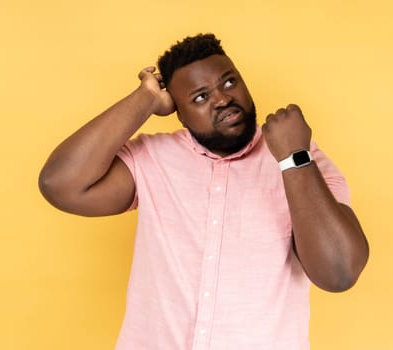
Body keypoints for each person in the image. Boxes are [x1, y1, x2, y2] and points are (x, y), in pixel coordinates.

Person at [39, 33, 369, 350]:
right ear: (178, 114)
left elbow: (338, 273)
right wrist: (146, 99)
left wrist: (294, 160)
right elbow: (61, 184)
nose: (223, 99)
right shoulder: (152, 159)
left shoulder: (300, 158)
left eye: (229, 81)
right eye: (200, 97)